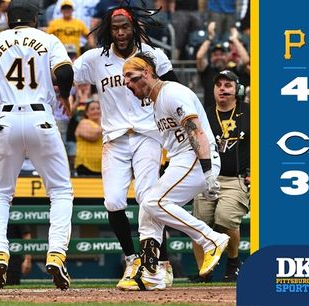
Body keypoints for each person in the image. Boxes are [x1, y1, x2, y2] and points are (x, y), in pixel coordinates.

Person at [0, 0, 74, 290]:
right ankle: (56, 252)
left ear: (10, 19)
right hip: (42, 118)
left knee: (0, 193)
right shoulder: (48, 39)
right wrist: (63, 95)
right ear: (34, 19)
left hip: (6, 119)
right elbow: (64, 72)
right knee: (61, 191)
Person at [73, 3, 178, 289]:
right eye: (115, 27)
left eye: (125, 27)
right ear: (108, 29)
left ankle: (161, 263)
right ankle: (133, 260)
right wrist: (64, 95)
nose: (120, 32)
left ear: (135, 28)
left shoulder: (152, 55)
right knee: (114, 201)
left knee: (148, 199)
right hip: (114, 138)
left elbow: (173, 90)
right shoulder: (95, 58)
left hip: (147, 134)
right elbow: (64, 75)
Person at [119, 52, 230, 290]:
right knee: (148, 208)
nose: (126, 83)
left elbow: (196, 131)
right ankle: (152, 274)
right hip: (181, 158)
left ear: (147, 73)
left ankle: (211, 239)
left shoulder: (172, 93)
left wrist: (208, 172)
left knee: (154, 202)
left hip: (196, 156)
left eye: (130, 76)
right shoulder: (156, 101)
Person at [192, 70, 249, 282]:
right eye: (219, 85)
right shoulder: (204, 115)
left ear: (238, 90)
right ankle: (203, 272)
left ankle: (233, 262)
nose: (222, 89)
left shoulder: (250, 112)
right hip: (207, 178)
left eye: (228, 85)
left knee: (224, 218)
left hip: (235, 178)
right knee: (199, 223)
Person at [196, 23, 249, 110]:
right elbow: (199, 57)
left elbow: (246, 60)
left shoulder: (234, 70)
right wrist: (210, 38)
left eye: (222, 54)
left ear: (228, 56)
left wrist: (235, 39)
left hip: (234, 116)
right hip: (211, 116)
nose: (219, 57)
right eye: (215, 55)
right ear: (211, 57)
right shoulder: (207, 70)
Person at [74, 100, 102, 176]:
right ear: (87, 113)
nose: (96, 111)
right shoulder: (84, 123)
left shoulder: (103, 124)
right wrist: (107, 124)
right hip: (85, 167)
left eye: (98, 108)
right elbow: (93, 136)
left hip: (102, 167)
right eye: (92, 109)